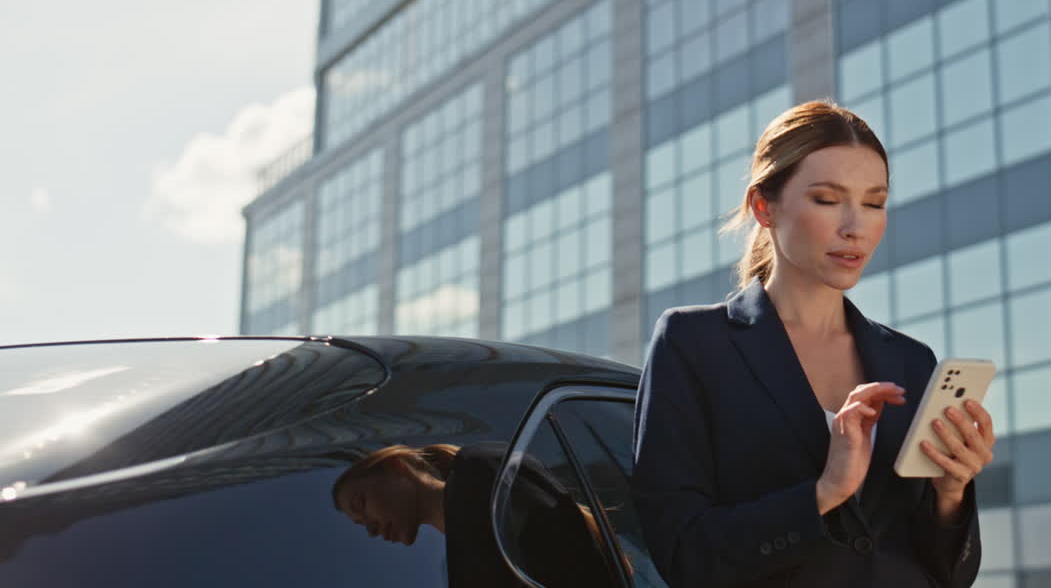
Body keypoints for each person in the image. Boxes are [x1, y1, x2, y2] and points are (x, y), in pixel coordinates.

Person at [632, 100, 995, 588]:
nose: (856, 226)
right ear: (764, 206)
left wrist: (951, 492)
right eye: (827, 199)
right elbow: (685, 556)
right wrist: (823, 494)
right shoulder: (693, 344)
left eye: (874, 202)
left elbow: (947, 573)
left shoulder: (910, 361)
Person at [332, 442, 617, 587]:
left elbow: (572, 556)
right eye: (359, 525)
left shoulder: (481, 470)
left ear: (397, 467)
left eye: (361, 503)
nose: (369, 530)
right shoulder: (461, 567)